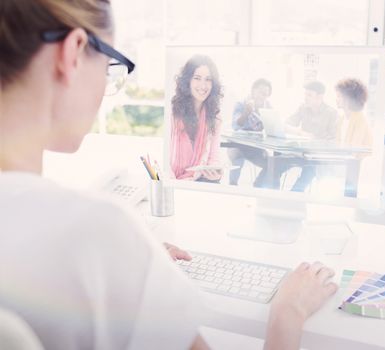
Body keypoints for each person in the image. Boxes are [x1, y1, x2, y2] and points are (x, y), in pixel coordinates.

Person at [0, 1, 337, 350]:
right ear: (74, 52)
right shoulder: (96, 232)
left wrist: (133, 269)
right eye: (110, 66)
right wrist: (289, 312)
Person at [170, 55, 223, 183]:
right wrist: (175, 184)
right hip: (172, 182)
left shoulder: (215, 118)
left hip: (197, 181)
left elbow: (213, 159)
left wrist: (216, 173)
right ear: (187, 80)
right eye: (197, 78)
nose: (203, 85)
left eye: (208, 79)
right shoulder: (172, 113)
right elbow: (163, 161)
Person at [279, 81, 339, 192]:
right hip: (299, 152)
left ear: (320, 97)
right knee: (276, 161)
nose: (305, 98)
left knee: (311, 168)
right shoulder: (303, 108)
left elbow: (333, 140)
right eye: (305, 94)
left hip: (317, 157)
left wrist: (317, 141)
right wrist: (299, 132)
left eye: (309, 95)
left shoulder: (331, 113)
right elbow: (285, 125)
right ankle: (267, 195)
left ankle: (293, 197)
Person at [228, 78, 272, 186]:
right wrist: (246, 112)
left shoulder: (268, 108)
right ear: (253, 90)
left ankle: (257, 185)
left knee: (271, 164)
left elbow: (271, 127)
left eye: (266, 94)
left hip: (254, 148)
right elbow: (236, 126)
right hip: (237, 145)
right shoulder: (241, 104)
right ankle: (233, 185)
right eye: (261, 92)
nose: (263, 97)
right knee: (237, 158)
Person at [334, 77, 373, 196]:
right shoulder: (341, 119)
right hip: (346, 163)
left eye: (339, 96)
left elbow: (354, 150)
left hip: (358, 165)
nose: (337, 99)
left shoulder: (360, 118)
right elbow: (338, 145)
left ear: (349, 99)